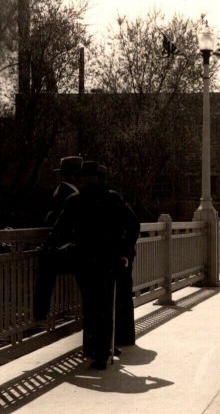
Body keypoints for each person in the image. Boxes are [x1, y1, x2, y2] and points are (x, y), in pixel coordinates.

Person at [44, 161, 140, 370]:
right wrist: (124, 251)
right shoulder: (112, 198)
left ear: (82, 179)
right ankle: (103, 353)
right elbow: (133, 224)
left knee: (90, 304)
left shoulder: (74, 201)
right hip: (109, 260)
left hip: (84, 260)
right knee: (105, 304)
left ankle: (93, 349)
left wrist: (51, 249)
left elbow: (59, 230)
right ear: (101, 178)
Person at [34, 156, 84, 322]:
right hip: (77, 249)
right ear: (75, 175)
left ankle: (40, 313)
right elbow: (58, 223)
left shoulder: (67, 192)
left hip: (74, 248)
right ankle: (41, 313)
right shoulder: (66, 193)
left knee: (46, 263)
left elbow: (55, 223)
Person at [99, 164, 140, 351]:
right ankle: (121, 338)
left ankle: (120, 338)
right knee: (120, 296)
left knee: (118, 296)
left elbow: (133, 224)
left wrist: (124, 250)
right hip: (118, 255)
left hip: (119, 256)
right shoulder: (110, 198)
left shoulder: (111, 198)